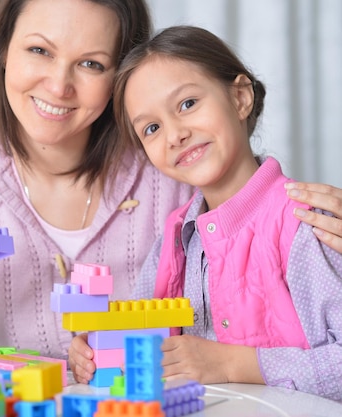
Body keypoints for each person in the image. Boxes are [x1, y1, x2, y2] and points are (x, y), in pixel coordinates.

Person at [0, 0, 342, 370]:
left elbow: (254, 283)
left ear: (121, 77)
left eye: (90, 64)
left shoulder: (167, 162)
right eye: (39, 50)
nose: (58, 86)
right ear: (3, 50)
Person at [70, 25, 342, 401]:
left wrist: (233, 365)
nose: (174, 134)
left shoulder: (304, 222)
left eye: (187, 104)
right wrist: (95, 352)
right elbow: (143, 350)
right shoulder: (175, 237)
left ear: (240, 97)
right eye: (151, 128)